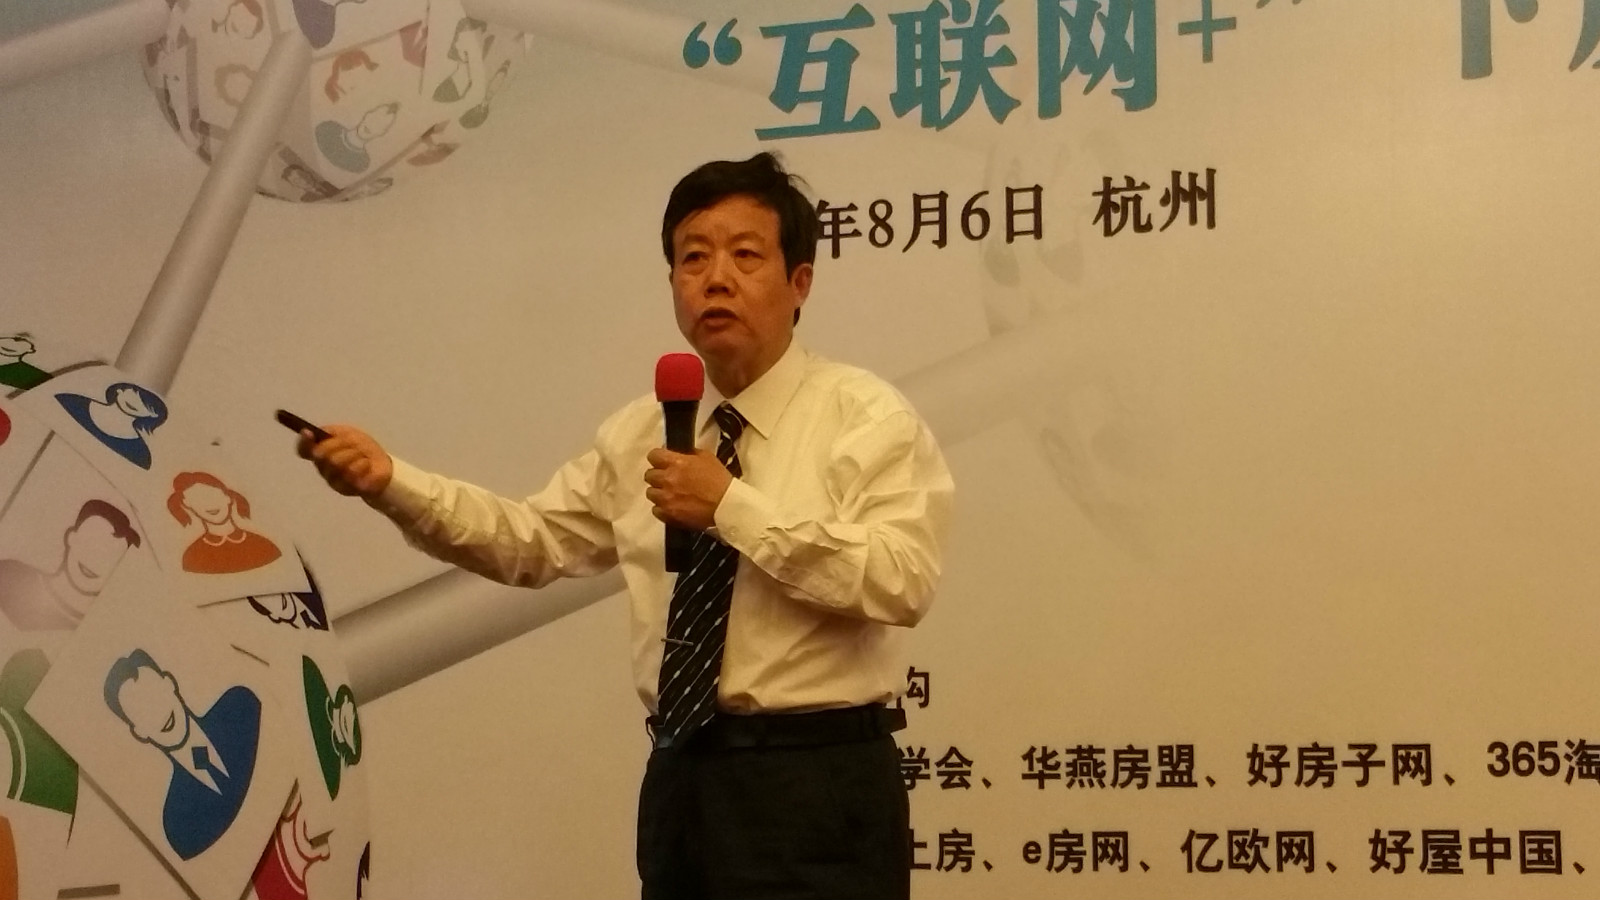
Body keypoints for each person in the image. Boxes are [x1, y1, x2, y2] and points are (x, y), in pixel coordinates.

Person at [299, 152, 953, 899]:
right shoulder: (643, 431)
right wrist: (390, 482)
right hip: (680, 778)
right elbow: (529, 541)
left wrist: (731, 508)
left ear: (799, 282)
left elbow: (902, 579)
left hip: (819, 783)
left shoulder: (864, 418)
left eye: (745, 256)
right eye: (693, 258)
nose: (715, 278)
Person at [104, 649, 261, 861]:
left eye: (155, 695)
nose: (159, 714)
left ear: (169, 683)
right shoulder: (178, 826)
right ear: (139, 731)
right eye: (142, 712)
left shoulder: (241, 705)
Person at [0, 499, 142, 631]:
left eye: (108, 556)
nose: (93, 560)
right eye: (89, 543)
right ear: (71, 537)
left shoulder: (98, 634)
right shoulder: (9, 576)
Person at [166, 471, 283, 574]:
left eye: (212, 495)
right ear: (187, 505)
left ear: (228, 497)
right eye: (198, 499)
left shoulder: (263, 545)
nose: (209, 504)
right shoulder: (192, 556)